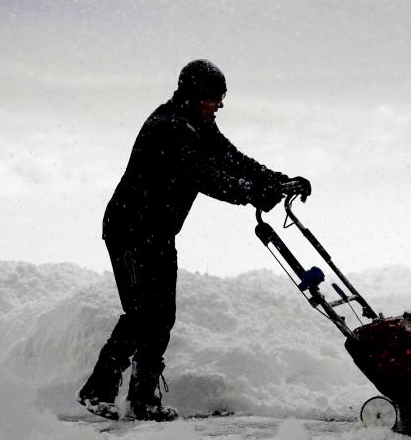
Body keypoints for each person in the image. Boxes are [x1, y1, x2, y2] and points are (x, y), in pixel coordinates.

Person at [77, 59, 310, 421]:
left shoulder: (197, 124)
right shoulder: (169, 127)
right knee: (142, 314)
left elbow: (230, 158)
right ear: (193, 95)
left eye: (221, 98)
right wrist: (252, 193)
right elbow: (203, 175)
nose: (218, 105)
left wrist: (277, 181)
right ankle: (98, 390)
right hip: (129, 230)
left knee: (161, 316)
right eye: (213, 98)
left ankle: (143, 400)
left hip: (156, 232)